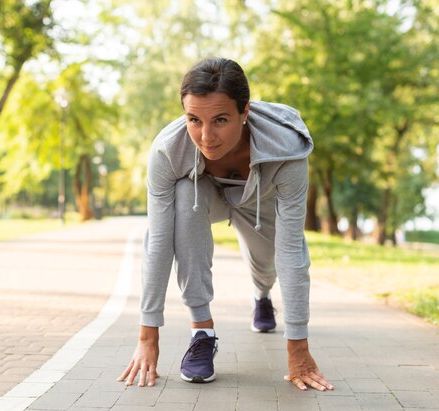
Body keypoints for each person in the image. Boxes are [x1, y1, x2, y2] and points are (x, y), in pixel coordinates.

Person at [117, 57, 333, 392]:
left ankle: (261, 296)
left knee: (268, 266)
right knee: (186, 191)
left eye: (220, 120)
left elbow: (291, 249)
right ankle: (202, 331)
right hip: (206, 198)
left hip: (260, 203)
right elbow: (158, 242)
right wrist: (148, 335)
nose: (206, 136)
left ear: (244, 111)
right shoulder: (168, 151)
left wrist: (298, 349)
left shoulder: (287, 149)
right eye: (193, 120)